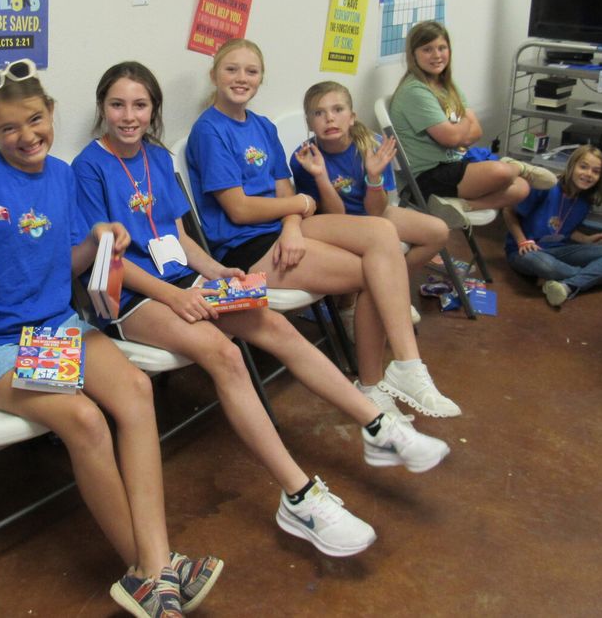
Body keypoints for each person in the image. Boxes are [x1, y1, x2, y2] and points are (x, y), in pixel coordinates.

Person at [73, 63, 452, 559]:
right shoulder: (87, 167)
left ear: (153, 110)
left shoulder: (156, 157)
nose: (129, 116)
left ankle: (379, 427)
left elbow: (178, 236)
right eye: (118, 105)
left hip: (187, 280)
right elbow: (107, 260)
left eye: (139, 105)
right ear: (102, 108)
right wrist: (175, 296)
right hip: (133, 297)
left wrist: (216, 272)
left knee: (277, 328)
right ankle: (300, 496)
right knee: (226, 355)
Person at [0, 59, 220, 618]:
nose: (26, 135)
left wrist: (102, 236)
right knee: (84, 419)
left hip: (55, 327)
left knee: (135, 389)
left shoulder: (61, 176)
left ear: (52, 112)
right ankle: (150, 572)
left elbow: (70, 262)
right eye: (8, 128)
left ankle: (156, 563)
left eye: (35, 119)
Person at [186, 39, 462, 421]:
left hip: (285, 231)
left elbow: (285, 192)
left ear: (261, 78)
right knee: (375, 273)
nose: (241, 78)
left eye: (251, 71)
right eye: (231, 69)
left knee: (381, 234)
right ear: (214, 74)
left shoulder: (262, 126)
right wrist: (301, 206)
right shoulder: (209, 131)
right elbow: (240, 209)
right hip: (244, 248)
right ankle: (371, 385)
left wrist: (293, 225)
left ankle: (407, 366)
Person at [388, 20, 555, 229]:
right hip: (425, 177)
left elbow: (476, 132)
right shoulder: (415, 91)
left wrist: (460, 131)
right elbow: (452, 138)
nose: (437, 55)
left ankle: (462, 205)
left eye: (442, 48)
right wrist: (464, 123)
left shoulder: (445, 84)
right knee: (503, 172)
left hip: (454, 163)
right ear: (413, 55)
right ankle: (517, 166)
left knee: (521, 188)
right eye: (427, 49)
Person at [292, 80, 451, 276]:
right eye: (318, 113)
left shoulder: (373, 145)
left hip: (371, 213)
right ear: (309, 123)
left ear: (352, 117)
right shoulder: (304, 158)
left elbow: (376, 211)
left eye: (338, 109)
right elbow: (336, 217)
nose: (330, 118)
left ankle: (391, 280)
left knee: (438, 232)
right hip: (335, 223)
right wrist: (320, 176)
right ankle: (374, 283)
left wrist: (374, 177)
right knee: (376, 242)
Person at [501, 144, 602, 308]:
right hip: (527, 251)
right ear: (572, 166)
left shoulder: (584, 201)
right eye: (583, 167)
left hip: (559, 250)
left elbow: (564, 229)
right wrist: (522, 241)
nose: (588, 174)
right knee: (544, 264)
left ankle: (568, 285)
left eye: (595, 171)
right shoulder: (546, 186)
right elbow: (508, 211)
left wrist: (586, 239)